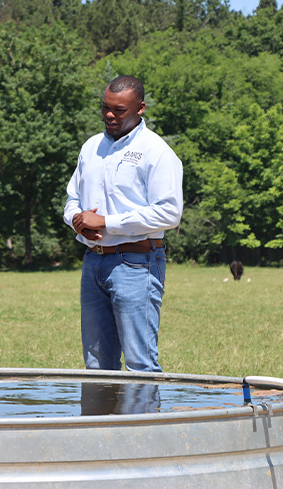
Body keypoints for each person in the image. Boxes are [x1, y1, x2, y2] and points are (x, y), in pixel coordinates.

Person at [63, 75, 183, 372]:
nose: (109, 115)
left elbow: (169, 212)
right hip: (94, 262)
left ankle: (144, 420)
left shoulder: (156, 151)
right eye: (105, 107)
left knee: (140, 362)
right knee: (96, 364)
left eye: (119, 110)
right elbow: (72, 199)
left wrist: (107, 222)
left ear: (140, 108)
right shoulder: (91, 148)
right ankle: (103, 421)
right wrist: (77, 222)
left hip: (137, 262)